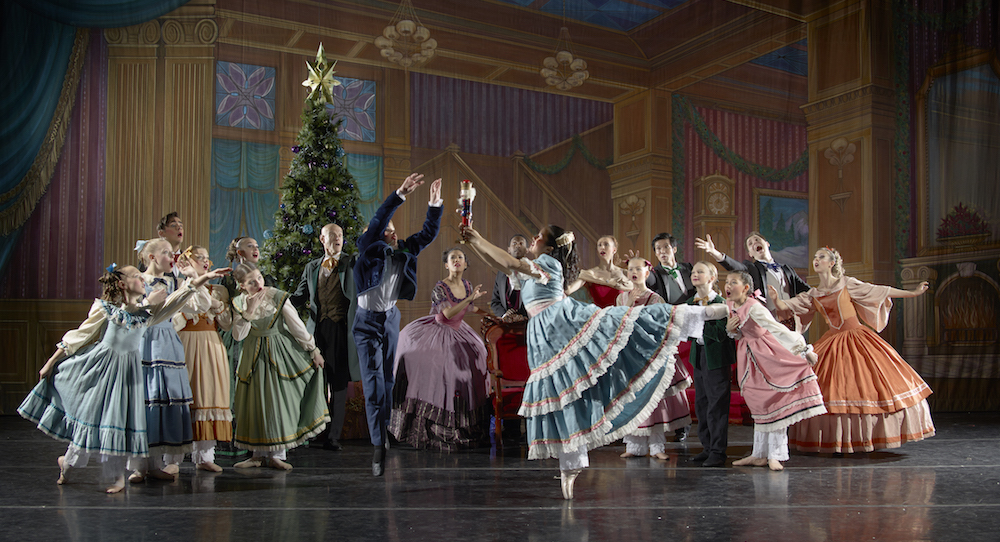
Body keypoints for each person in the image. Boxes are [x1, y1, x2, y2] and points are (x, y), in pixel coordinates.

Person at [462, 223, 726, 500]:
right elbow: (504, 265)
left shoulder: (547, 262)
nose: (534, 238)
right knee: (563, 395)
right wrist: (473, 243)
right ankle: (571, 465)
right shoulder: (532, 265)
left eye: (538, 236)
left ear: (550, 247)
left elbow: (509, 260)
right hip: (544, 336)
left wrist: (479, 237)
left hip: (562, 323)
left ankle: (697, 314)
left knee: (632, 321)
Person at [18, 263, 227, 493]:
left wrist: (201, 278)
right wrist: (51, 362)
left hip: (128, 372)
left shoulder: (147, 314)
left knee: (119, 421)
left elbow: (175, 301)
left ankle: (117, 477)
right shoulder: (106, 308)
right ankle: (67, 463)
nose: (142, 280)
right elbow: (81, 334)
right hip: (103, 369)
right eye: (136, 277)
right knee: (92, 417)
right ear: (122, 283)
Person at [774, 247, 935, 453]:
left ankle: (866, 437)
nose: (816, 260)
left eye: (821, 257)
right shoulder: (813, 294)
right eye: (815, 257)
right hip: (831, 341)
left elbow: (880, 290)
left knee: (865, 384)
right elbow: (790, 305)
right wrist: (777, 300)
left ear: (832, 263)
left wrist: (912, 293)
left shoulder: (847, 283)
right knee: (827, 386)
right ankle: (835, 439)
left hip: (857, 338)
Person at [353, 173, 443, 476]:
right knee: (374, 384)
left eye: (393, 232)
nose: (393, 234)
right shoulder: (368, 250)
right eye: (388, 231)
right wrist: (400, 194)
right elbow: (379, 221)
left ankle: (384, 435)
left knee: (389, 383)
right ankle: (378, 446)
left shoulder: (403, 250)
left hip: (390, 319)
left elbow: (428, 234)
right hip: (366, 323)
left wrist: (434, 204)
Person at [230, 262, 329, 470]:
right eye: (251, 281)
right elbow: (238, 335)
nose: (258, 283)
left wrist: (313, 350)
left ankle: (277, 454)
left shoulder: (276, 296)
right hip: (252, 355)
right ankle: (256, 454)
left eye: (259, 277)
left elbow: (296, 326)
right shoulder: (239, 302)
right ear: (241, 285)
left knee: (276, 401)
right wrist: (249, 311)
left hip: (278, 352)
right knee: (256, 401)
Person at [389, 247, 490, 451]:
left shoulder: (468, 285)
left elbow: (468, 309)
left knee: (478, 353)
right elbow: (447, 314)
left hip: (460, 331)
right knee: (439, 366)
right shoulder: (440, 287)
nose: (456, 260)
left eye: (460, 257)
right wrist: (470, 300)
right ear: (446, 264)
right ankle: (427, 422)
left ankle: (465, 422)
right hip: (439, 330)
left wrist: (488, 314)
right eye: (452, 257)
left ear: (465, 264)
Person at [724, 271, 826, 471]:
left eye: (733, 282)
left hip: (769, 355)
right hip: (749, 358)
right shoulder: (730, 306)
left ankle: (776, 454)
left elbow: (777, 329)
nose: (728, 285)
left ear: (745, 288)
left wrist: (804, 351)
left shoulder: (754, 308)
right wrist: (730, 329)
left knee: (775, 400)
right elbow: (736, 334)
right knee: (760, 403)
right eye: (726, 282)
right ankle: (759, 454)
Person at [129, 238, 203, 482]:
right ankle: (139, 464)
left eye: (172, 252)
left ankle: (155, 462)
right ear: (151, 257)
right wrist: (146, 303)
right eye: (166, 252)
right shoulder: (138, 281)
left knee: (164, 396)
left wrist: (192, 276)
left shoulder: (176, 282)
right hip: (144, 341)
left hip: (168, 342)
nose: (172, 256)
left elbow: (198, 307)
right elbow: (131, 311)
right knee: (145, 398)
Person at [290, 223, 358, 452]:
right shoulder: (311, 267)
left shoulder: (351, 263)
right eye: (332, 236)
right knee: (315, 382)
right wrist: (277, 302)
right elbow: (299, 297)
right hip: (317, 331)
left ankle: (333, 437)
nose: (338, 239)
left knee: (338, 384)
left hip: (341, 330)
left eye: (340, 235)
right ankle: (312, 431)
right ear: (322, 239)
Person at [615, 257, 691, 460]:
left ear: (646, 273)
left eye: (638, 269)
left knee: (653, 401)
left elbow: (661, 327)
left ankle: (657, 447)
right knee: (631, 399)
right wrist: (629, 304)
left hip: (649, 354)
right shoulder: (621, 298)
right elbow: (618, 325)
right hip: (630, 355)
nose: (633, 272)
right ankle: (635, 445)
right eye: (630, 269)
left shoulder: (656, 299)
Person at [174, 246, 233, 472]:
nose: (205, 261)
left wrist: (218, 306)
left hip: (211, 343)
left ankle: (205, 456)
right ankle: (173, 459)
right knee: (185, 395)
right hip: (186, 342)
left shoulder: (217, 290)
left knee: (209, 393)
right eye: (200, 258)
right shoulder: (182, 286)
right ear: (187, 261)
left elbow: (227, 325)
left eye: (207, 258)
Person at [695, 232, 810, 330]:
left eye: (757, 240)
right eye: (750, 244)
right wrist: (715, 253)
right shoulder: (751, 268)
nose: (754, 242)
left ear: (767, 244)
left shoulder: (787, 269)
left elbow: (808, 291)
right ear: (750, 253)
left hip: (791, 324)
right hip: (768, 324)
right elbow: (736, 267)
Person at [686, 261, 736, 468]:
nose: (695, 274)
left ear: (712, 277)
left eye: (700, 271)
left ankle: (717, 451)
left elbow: (721, 334)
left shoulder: (723, 303)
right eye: (693, 272)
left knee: (717, 405)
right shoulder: (690, 302)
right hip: (699, 357)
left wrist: (702, 321)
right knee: (702, 404)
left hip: (716, 358)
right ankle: (707, 447)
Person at [646, 232, 695, 441]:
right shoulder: (655, 273)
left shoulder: (688, 268)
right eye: (658, 249)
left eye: (665, 248)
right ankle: (678, 424)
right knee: (674, 378)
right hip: (672, 329)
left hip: (694, 325)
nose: (662, 252)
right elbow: (648, 281)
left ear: (674, 249)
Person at [565, 235, 632, 307]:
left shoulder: (624, 273)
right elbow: (568, 290)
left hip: (622, 315)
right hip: (600, 316)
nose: (602, 247)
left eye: (606, 244)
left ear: (614, 250)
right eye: (599, 245)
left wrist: (636, 265)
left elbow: (639, 290)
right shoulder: (588, 274)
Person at [490, 234, 529, 320]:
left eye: (521, 243)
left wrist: (523, 317)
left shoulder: (532, 271)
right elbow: (495, 302)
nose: (517, 246)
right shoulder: (501, 273)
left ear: (527, 250)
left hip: (528, 323)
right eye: (514, 243)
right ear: (508, 250)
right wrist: (504, 315)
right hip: (506, 324)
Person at [156, 212, 185, 277]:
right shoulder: (153, 257)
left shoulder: (189, 259)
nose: (179, 228)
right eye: (173, 225)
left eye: (181, 225)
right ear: (161, 233)